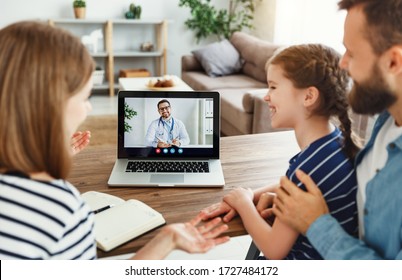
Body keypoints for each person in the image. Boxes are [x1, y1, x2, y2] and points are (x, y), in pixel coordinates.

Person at [0, 21, 229, 260]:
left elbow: (186, 140)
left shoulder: (179, 124)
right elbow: (149, 143)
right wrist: (167, 238)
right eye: (84, 97)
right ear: (50, 107)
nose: (88, 108)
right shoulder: (61, 211)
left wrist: (45, 158)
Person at [201, 44, 361, 259]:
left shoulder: (307, 168)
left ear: (308, 97)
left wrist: (243, 203)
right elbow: (294, 184)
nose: (267, 96)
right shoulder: (336, 143)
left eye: (273, 87)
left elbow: (274, 249)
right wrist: (251, 193)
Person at [271, 0, 402, 260]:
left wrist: (316, 224)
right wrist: (287, 197)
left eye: (351, 52)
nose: (343, 64)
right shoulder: (387, 120)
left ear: (393, 62)